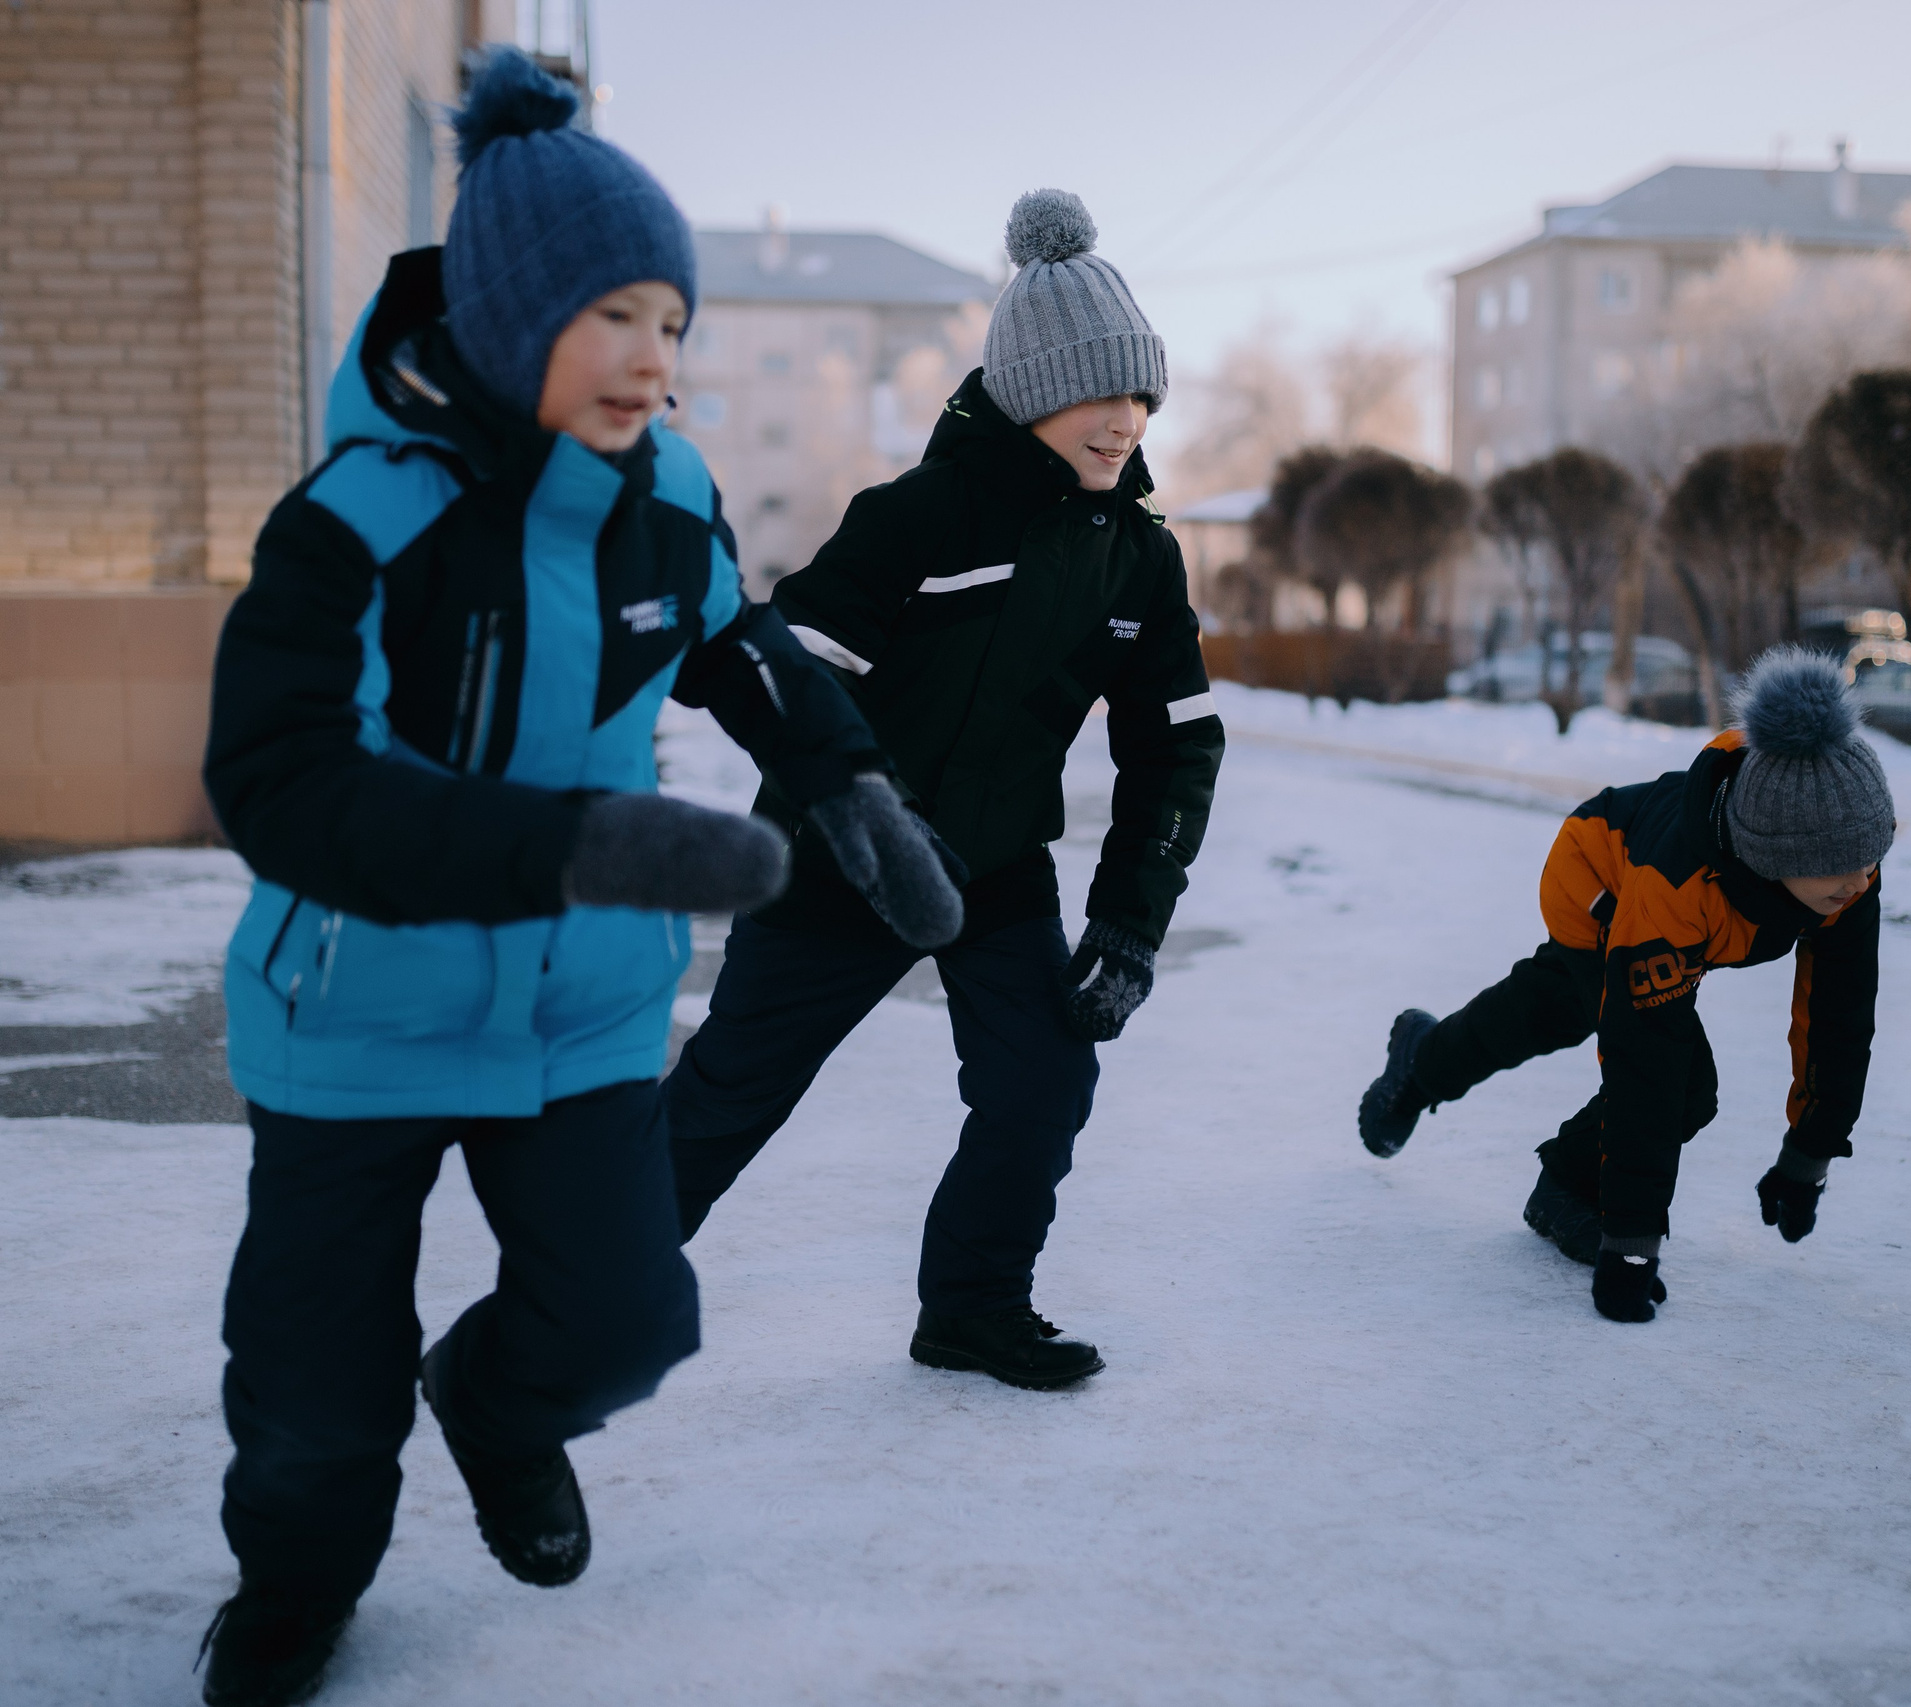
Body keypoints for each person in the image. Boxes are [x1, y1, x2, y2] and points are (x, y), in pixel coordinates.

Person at [193, 53, 958, 1707]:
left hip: (580, 1011)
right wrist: (578, 846)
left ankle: (502, 1404)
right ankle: (296, 1592)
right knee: (318, 1391)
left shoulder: (668, 498)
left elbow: (734, 644)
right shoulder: (355, 518)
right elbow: (283, 783)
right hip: (358, 1014)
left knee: (626, 1320)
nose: (654, 358)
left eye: (672, 322)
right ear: (512, 308)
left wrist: (847, 782)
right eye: (617, 315)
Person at [661, 189, 1225, 1391]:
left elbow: (1174, 740)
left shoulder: (1138, 553)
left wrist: (1130, 920)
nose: (1123, 419)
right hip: (842, 859)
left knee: (1043, 1082)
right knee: (728, 1101)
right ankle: (573, 1291)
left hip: (995, 868)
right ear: (1029, 390)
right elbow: (788, 673)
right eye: (1097, 391)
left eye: (1140, 395)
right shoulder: (920, 517)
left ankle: (971, 1307)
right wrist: (857, 814)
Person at [1355, 650, 1889, 1323]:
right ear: (1781, 854)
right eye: (1845, 865)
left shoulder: (1843, 867)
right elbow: (1646, 1071)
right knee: (1681, 1083)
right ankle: (1566, 1187)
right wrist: (1631, 1248)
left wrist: (1809, 1154)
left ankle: (1420, 1063)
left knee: (1548, 1007)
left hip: (1674, 904)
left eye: (1873, 855)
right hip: (1598, 883)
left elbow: (1840, 1018)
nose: (1862, 879)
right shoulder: (1673, 890)